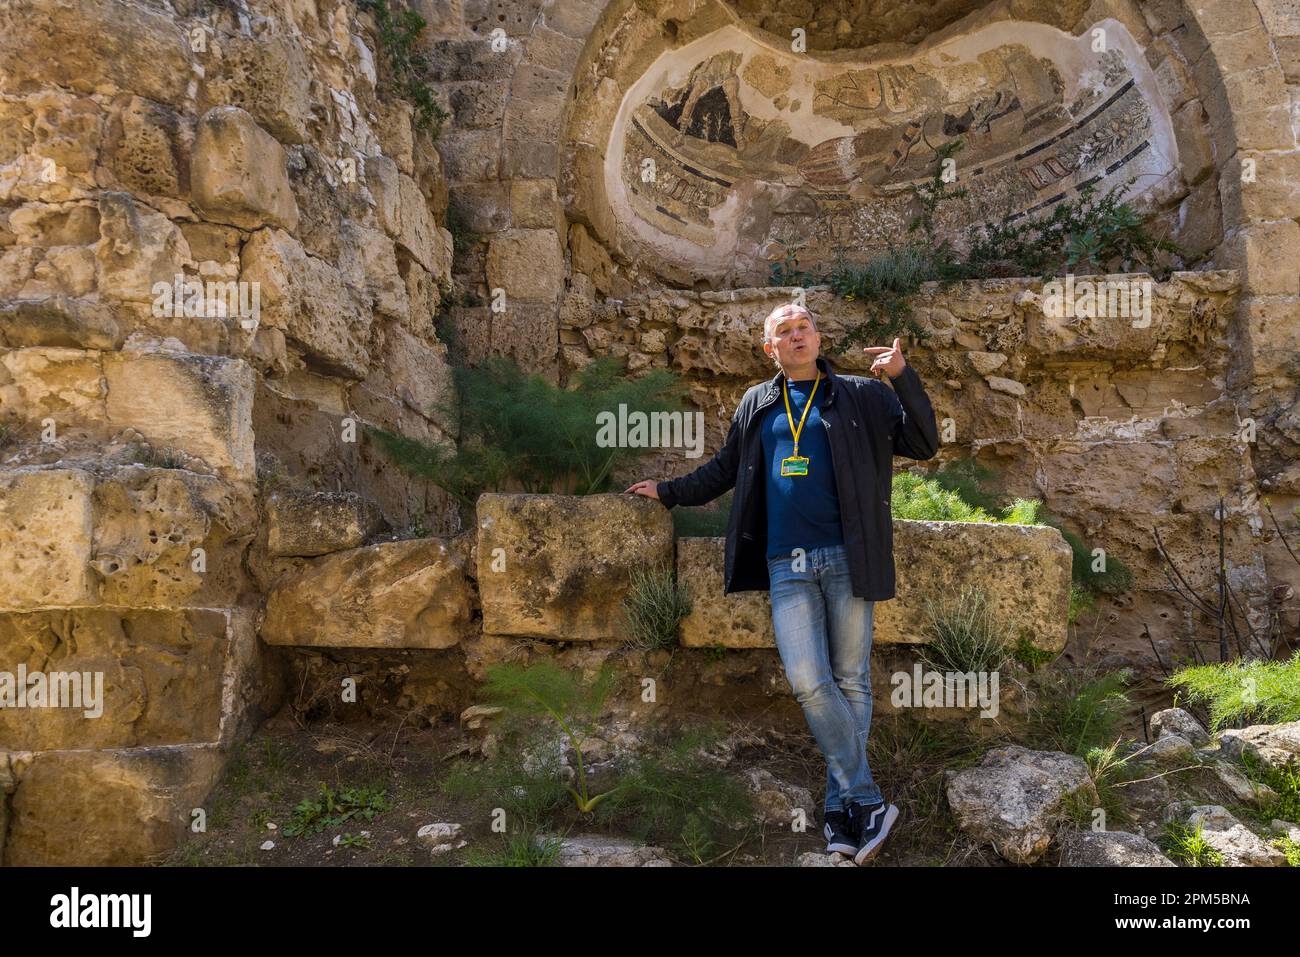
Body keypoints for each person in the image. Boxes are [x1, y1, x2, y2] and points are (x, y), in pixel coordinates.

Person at [626, 302, 939, 864]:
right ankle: (867, 799)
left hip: (848, 555)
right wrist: (669, 491)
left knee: (851, 681)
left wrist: (901, 376)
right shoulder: (758, 402)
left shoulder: (861, 396)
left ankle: (842, 811)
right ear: (769, 349)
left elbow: (923, 442)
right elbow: (725, 468)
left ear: (818, 337)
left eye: (804, 327)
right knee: (808, 680)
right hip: (784, 564)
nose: (796, 337)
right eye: (783, 333)